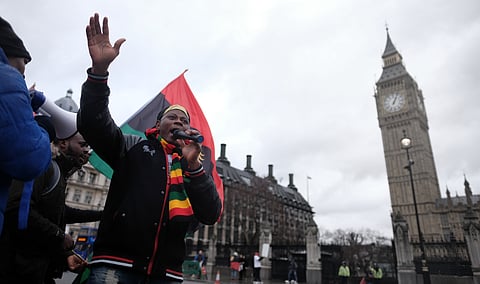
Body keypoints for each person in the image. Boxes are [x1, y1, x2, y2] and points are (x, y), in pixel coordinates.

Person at [77, 13, 222, 283]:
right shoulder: (134, 146)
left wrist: (195, 168)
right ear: (159, 125)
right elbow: (93, 124)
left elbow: (211, 213)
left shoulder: (193, 165)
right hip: (115, 266)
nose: (179, 122)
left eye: (184, 120)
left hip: (167, 274)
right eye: (172, 118)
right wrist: (99, 73)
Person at [0, 130, 103, 284]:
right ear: (63, 143)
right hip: (18, 268)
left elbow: (59, 213)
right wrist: (59, 235)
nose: (87, 150)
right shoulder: (44, 166)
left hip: (36, 270)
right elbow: (17, 208)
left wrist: (65, 254)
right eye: (82, 145)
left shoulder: (58, 171)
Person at [0, 16, 53, 234]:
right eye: (24, 62)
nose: (23, 73)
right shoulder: (7, 77)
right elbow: (29, 159)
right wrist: (44, 127)